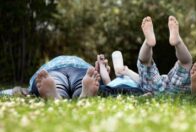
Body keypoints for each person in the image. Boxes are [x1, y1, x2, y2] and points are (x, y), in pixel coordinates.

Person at [0, 55, 145, 99]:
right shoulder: (83, 65)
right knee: (81, 83)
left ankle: (56, 97)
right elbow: (114, 88)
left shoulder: (50, 65)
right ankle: (83, 95)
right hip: (80, 70)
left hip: (52, 70)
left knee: (56, 82)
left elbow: (12, 91)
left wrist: (16, 91)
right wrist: (142, 94)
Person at [123, 15, 193, 94]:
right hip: (176, 91)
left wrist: (127, 72)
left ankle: (148, 42)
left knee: (145, 63)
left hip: (154, 91)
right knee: (186, 62)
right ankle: (178, 42)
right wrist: (127, 71)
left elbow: (140, 79)